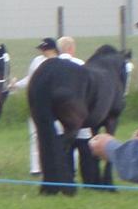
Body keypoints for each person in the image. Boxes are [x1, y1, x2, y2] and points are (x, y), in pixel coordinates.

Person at [8, 38, 59, 175]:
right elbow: (30, 79)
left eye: (45, 49)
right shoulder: (37, 61)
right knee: (35, 135)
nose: (43, 51)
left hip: (56, 105)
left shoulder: (60, 63)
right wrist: (16, 85)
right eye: (42, 49)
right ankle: (36, 168)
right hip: (37, 103)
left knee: (57, 134)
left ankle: (56, 164)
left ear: (52, 49)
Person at [57, 36, 99, 183]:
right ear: (71, 48)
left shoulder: (50, 65)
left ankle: (66, 177)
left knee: (65, 146)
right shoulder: (81, 64)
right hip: (79, 113)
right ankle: (89, 179)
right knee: (84, 146)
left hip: (59, 115)